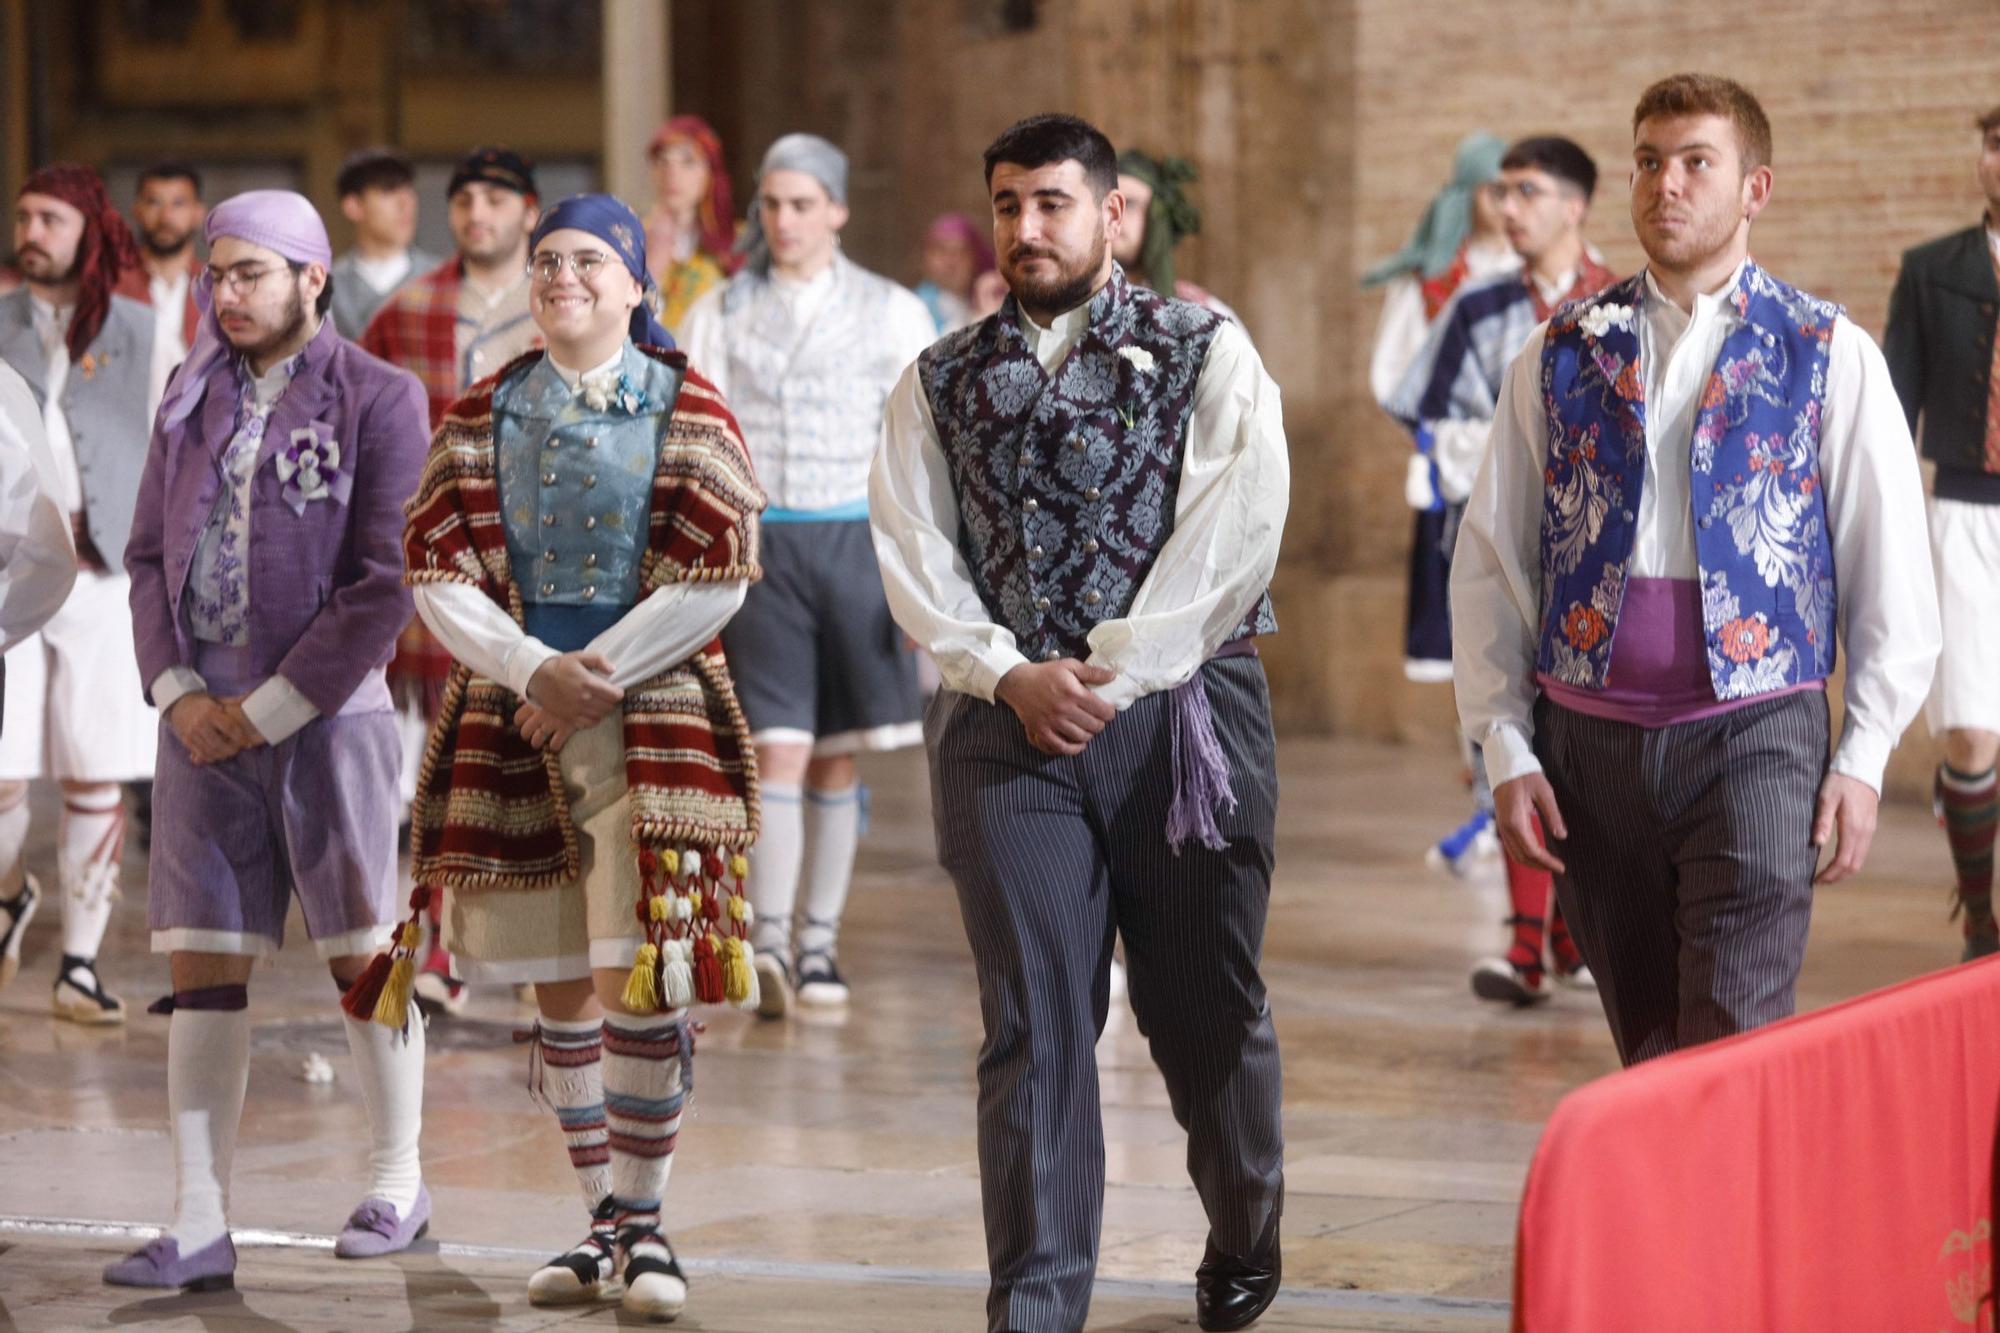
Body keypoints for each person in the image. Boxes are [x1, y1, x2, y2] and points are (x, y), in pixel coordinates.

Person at [872, 113, 1290, 1333]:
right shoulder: (938, 377)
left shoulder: (1201, 346)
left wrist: (1107, 673)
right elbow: (914, 550)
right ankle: (1036, 1305)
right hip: (1005, 735)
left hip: (1181, 727)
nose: (1025, 227)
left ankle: (1245, 1216)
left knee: (1201, 1004)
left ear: (1113, 215)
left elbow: (1234, 530)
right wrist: (1005, 674)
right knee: (1035, 1024)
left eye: (1051, 202)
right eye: (1006, 203)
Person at [1452, 74, 1941, 1065]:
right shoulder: (1556, 356)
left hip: (1756, 731)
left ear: (1753, 189)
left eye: (1693, 163)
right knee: (1646, 1048)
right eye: (1646, 161)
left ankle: (1734, 1224)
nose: (1662, 185)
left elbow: (1888, 562)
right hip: (1587, 742)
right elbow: (1493, 559)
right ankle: (1677, 1224)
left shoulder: (1827, 355)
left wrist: (1864, 750)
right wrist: (1500, 741)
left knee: (1735, 1028)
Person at [392, 192, 762, 1321]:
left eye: (589, 261)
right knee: (558, 981)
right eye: (548, 260)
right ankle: (602, 1220)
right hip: (517, 716)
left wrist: (580, 671)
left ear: (636, 283)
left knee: (633, 979)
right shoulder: (484, 411)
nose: (563, 277)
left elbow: (721, 563)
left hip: (648, 721)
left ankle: (646, 1226)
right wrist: (522, 668)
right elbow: (435, 562)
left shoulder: (685, 402)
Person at [105, 189, 434, 1292]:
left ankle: (398, 1179)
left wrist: (277, 705)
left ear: (312, 278)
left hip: (328, 720)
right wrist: (178, 690)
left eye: (251, 273)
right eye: (217, 275)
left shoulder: (380, 397)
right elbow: (147, 555)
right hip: (203, 728)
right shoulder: (187, 396)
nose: (227, 294)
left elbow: (385, 579)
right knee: (201, 964)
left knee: (364, 954)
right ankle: (200, 1218)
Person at [680, 134, 936, 1018]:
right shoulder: (721, 308)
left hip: (856, 543)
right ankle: (769, 941)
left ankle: (819, 942)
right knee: (775, 745)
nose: (782, 220)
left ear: (836, 209)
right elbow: (695, 426)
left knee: (836, 754)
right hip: (763, 546)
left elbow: (918, 448)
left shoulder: (894, 310)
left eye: (800, 204)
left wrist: (923, 579)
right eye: (771, 204)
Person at [1389, 136, 1616, 1003]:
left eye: (1528, 191)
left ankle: (1565, 930)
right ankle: (1528, 945)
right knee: (1509, 730)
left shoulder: (1621, 303)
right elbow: (1425, 409)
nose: (1510, 208)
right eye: (1504, 192)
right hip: (1495, 546)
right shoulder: (1478, 308)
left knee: (1583, 743)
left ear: (1574, 205)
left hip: (1595, 560)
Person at [362, 146, 543, 1012]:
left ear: (529, 210)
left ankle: (542, 943)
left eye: (495, 198)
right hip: (439, 554)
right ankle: (439, 943)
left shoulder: (565, 297)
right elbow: (364, 416)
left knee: (541, 759)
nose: (477, 211)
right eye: (463, 196)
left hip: (546, 557)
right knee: (445, 756)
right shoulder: (412, 308)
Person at [0, 164, 157, 1024]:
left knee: (95, 767)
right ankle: (8, 894)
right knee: (3, 768)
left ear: (89, 229)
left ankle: (80, 964)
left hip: (104, 575)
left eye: (50, 218)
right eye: (24, 216)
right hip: (8, 570)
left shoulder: (145, 329)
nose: (32, 231)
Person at [1883, 103, 2000, 962]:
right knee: (1969, 727)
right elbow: (1889, 419)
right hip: (1961, 512)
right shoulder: (1932, 271)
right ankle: (1980, 912)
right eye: (1997, 143)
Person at [1365, 132, 1516, 690]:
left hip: (1533, 466)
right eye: (1493, 190)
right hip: (1459, 466)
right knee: (1465, 629)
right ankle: (1480, 753)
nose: (1506, 205)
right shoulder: (1431, 281)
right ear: (1468, 194)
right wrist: (1445, 435)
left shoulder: (1541, 269)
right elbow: (1394, 375)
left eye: (1517, 190)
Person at [1112, 148, 1240, 323]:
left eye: (1131, 204)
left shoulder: (1207, 317)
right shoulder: (1073, 310)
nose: (1115, 216)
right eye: (1108, 205)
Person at [116, 159, 205, 412]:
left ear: (198, 213)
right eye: (154, 202)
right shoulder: (111, 288)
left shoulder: (218, 288)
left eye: (178, 203)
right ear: (137, 209)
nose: (166, 216)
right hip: (129, 430)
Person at [640, 115, 741, 334]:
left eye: (688, 162)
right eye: (662, 162)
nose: (672, 174)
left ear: (710, 173)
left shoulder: (736, 241)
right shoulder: (630, 239)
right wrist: (651, 268)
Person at [329, 147, 440, 340]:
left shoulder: (441, 279)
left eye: (409, 190)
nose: (406, 202)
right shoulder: (326, 288)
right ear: (354, 206)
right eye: (389, 190)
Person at [914, 211, 995, 333]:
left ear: (976, 258)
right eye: (942, 250)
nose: (951, 261)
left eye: (961, 252)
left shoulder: (990, 303)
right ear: (926, 258)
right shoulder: (912, 308)